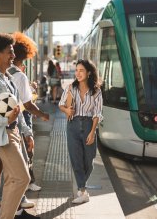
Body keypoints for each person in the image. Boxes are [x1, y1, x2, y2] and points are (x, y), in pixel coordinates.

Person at [0, 33, 39, 219]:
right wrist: (5, 121)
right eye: (9, 52)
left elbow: (17, 109)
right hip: (1, 136)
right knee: (23, 178)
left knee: (13, 179)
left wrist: (27, 133)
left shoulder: (9, 79)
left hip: (15, 134)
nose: (13, 56)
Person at [58, 59, 103, 204]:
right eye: (76, 70)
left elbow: (97, 113)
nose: (78, 73)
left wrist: (92, 131)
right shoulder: (71, 88)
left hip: (89, 124)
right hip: (73, 125)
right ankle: (82, 190)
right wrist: (66, 109)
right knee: (76, 160)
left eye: (81, 70)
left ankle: (82, 188)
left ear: (89, 72)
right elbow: (61, 104)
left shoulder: (96, 90)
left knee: (89, 161)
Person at [9, 31, 49, 191]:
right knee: (27, 148)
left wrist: (29, 87)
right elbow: (28, 104)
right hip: (22, 116)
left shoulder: (6, 71)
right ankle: (28, 183)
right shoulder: (19, 75)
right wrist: (43, 115)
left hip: (9, 118)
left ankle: (25, 184)